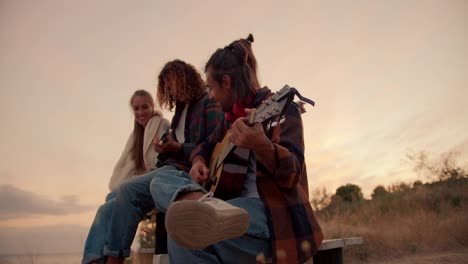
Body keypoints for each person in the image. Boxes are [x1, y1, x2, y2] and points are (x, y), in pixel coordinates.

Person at [150, 34, 323, 264]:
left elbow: (293, 174)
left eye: (211, 88)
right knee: (159, 181)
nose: (210, 95)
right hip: (227, 209)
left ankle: (208, 210)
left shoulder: (282, 109)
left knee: (184, 236)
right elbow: (205, 145)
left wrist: (262, 146)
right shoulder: (229, 121)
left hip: (270, 217)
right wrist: (200, 160)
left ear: (227, 82)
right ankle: (205, 205)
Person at [81, 60, 224, 264]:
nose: (170, 90)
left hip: (181, 173)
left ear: (185, 79)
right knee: (107, 207)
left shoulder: (208, 102)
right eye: (166, 86)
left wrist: (178, 148)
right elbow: (175, 150)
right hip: (169, 167)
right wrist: (164, 149)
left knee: (127, 190)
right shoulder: (180, 112)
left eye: (172, 83)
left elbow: (213, 145)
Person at [106, 90, 170, 202]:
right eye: (136, 108)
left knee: (113, 198)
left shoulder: (162, 125)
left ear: (152, 106)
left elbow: (160, 162)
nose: (140, 112)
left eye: (144, 107)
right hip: (139, 182)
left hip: (156, 181)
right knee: (111, 197)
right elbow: (127, 166)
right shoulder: (135, 136)